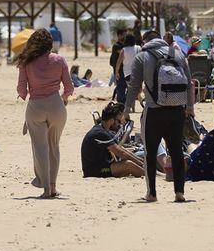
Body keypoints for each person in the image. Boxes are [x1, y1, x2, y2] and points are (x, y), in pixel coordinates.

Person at [128, 28, 191, 203]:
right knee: (177, 151)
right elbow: (189, 84)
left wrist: (126, 110)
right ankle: (179, 192)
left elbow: (134, 86)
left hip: (154, 111)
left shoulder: (142, 57)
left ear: (144, 42)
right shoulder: (178, 54)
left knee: (150, 153)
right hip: (178, 109)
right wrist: (190, 107)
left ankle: (152, 193)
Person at [15, 28, 72, 199]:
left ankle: (45, 187)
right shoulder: (59, 60)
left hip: (36, 106)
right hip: (56, 104)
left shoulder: (26, 62)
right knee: (54, 146)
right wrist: (64, 98)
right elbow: (69, 88)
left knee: (40, 148)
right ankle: (53, 187)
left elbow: (21, 89)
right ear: (50, 44)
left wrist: (24, 95)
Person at [80, 107, 143, 179]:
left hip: (102, 166)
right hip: (95, 171)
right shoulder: (100, 133)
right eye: (118, 122)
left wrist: (140, 161)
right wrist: (141, 164)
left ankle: (152, 173)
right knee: (128, 164)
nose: (119, 125)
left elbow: (122, 150)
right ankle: (153, 175)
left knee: (131, 164)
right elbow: (121, 153)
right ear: (111, 120)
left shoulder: (104, 130)